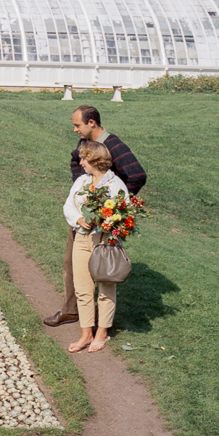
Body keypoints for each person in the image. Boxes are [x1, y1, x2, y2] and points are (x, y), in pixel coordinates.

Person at [43, 105, 146, 328]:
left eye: (77, 125)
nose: (74, 130)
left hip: (103, 227)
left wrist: (112, 206)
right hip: (82, 221)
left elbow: (136, 175)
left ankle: (100, 321)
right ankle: (72, 311)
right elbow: (75, 160)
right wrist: (82, 188)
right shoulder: (85, 145)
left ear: (92, 123)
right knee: (71, 264)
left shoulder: (114, 145)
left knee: (103, 269)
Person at [63, 141, 127, 352]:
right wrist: (79, 219)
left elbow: (124, 213)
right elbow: (68, 205)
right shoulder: (82, 181)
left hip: (105, 241)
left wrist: (107, 222)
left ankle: (102, 332)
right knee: (82, 288)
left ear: (95, 159)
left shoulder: (115, 184)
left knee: (106, 287)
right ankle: (86, 334)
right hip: (81, 238)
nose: (80, 163)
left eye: (84, 158)